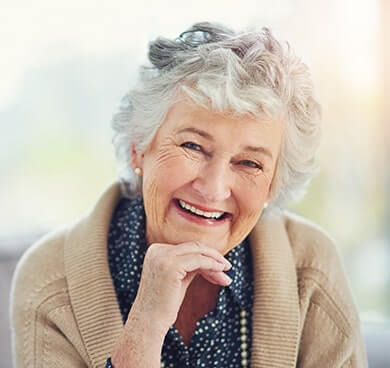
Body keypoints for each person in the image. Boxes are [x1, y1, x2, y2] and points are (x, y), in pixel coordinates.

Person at [11, 22, 367, 367]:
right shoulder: (50, 279)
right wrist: (144, 330)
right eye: (193, 145)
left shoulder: (313, 268)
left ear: (274, 184)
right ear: (139, 147)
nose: (213, 189)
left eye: (249, 163)